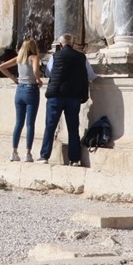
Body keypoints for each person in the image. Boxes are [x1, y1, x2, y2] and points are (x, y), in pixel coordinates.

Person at [39, 33, 94, 166]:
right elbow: (90, 75)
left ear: (61, 44)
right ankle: (74, 159)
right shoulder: (81, 57)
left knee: (50, 126)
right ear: (73, 44)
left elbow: (48, 72)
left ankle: (44, 156)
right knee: (73, 128)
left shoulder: (55, 56)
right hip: (73, 97)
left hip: (56, 96)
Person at [0, 38, 43, 162]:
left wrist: (13, 78)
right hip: (31, 90)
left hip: (19, 90)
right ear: (33, 47)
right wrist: (38, 80)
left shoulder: (19, 58)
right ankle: (28, 153)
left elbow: (1, 67)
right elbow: (35, 70)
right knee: (30, 124)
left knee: (19, 123)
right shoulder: (34, 57)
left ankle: (14, 151)